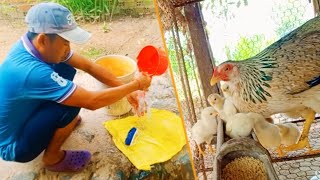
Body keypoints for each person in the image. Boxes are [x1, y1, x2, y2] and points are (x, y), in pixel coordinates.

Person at [0, 2, 151, 172]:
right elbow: (91, 102)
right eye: (65, 43)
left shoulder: (32, 45)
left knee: (64, 68)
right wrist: (135, 85)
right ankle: (52, 158)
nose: (68, 49)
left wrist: (127, 90)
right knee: (72, 106)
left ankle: (60, 123)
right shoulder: (31, 72)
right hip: (14, 146)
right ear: (43, 39)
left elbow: (89, 66)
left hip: (22, 116)